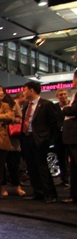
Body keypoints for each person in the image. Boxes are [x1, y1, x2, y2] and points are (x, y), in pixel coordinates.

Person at [21, 81, 59, 203]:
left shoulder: (46, 104)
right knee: (31, 167)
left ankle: (50, 194)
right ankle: (38, 192)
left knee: (42, 167)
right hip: (27, 138)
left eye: (25, 90)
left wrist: (46, 138)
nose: (23, 93)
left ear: (31, 90)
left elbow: (53, 123)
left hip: (40, 139)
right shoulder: (26, 106)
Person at [0, 93, 26, 197]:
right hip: (0, 137)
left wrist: (11, 119)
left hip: (13, 139)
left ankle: (17, 186)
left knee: (14, 165)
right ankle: (2, 187)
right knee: (0, 166)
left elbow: (20, 119)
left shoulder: (14, 104)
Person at [61, 72, 77, 203]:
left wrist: (65, 109)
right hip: (71, 137)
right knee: (74, 168)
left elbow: (73, 110)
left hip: (75, 136)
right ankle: (74, 195)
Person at [53, 88, 70, 187]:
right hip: (58, 136)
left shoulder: (72, 105)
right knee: (61, 158)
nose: (63, 96)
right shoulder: (54, 107)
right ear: (57, 96)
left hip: (70, 136)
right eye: (61, 95)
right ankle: (64, 179)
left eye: (64, 94)